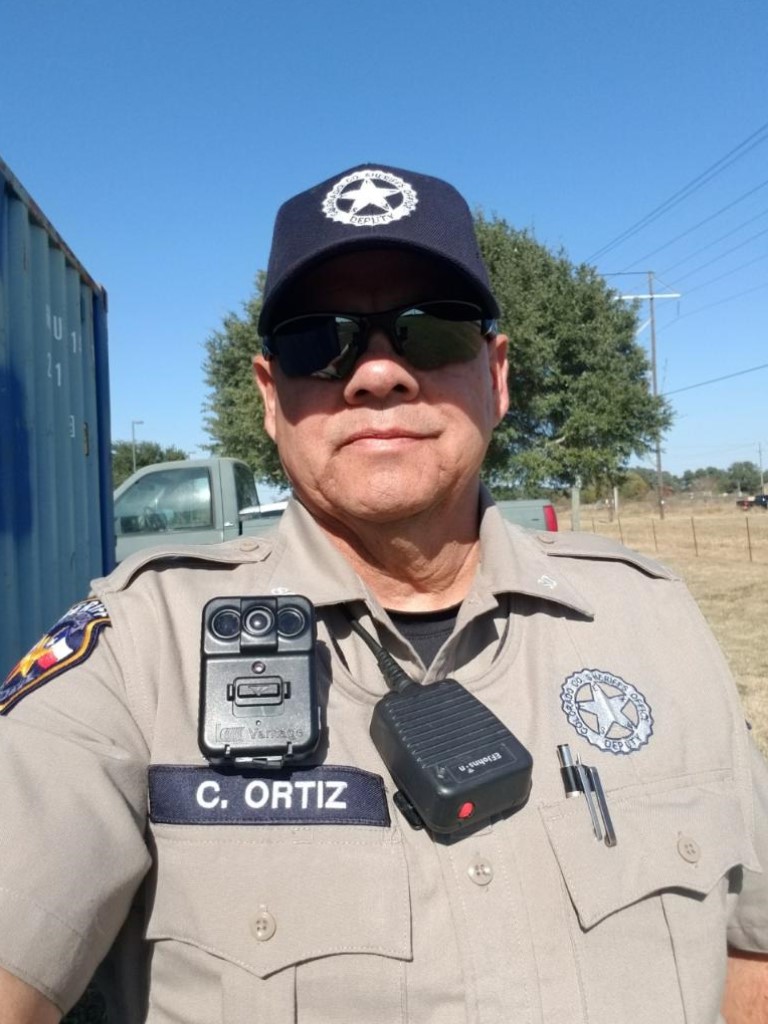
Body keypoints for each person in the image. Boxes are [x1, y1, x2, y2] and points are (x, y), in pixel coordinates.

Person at [1, 163, 766, 1024]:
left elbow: (752, 953)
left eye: (430, 332)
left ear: (498, 376)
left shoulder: (652, 618)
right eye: (316, 340)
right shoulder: (139, 653)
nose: (376, 375)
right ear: (270, 397)